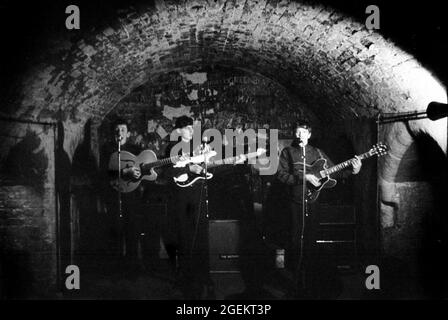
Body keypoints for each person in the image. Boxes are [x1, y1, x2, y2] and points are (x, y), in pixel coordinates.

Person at [276, 120, 362, 298]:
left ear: (309, 134)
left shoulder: (317, 153)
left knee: (311, 241)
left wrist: (353, 171)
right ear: (295, 134)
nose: (301, 135)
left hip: (314, 201)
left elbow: (335, 172)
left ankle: (310, 281)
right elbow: (281, 176)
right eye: (298, 132)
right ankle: (295, 282)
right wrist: (303, 177)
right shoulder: (288, 152)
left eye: (304, 132)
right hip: (295, 202)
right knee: (295, 241)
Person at [163, 116, 213, 299]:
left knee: (201, 235)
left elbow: (207, 167)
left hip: (198, 195)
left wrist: (205, 160)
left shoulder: (199, 146)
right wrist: (188, 169)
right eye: (187, 128)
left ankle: (203, 277)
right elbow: (168, 172)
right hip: (180, 198)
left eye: (192, 128)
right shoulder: (171, 148)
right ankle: (186, 277)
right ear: (179, 131)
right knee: (184, 236)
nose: (192, 131)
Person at [102, 119, 143, 274]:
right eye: (117, 130)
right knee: (115, 230)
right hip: (114, 195)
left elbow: (142, 171)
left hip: (132, 197)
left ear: (128, 133)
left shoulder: (136, 149)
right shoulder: (107, 150)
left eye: (123, 130)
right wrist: (123, 172)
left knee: (132, 231)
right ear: (114, 133)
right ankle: (116, 268)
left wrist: (138, 174)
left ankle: (132, 267)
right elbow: (104, 172)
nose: (120, 133)